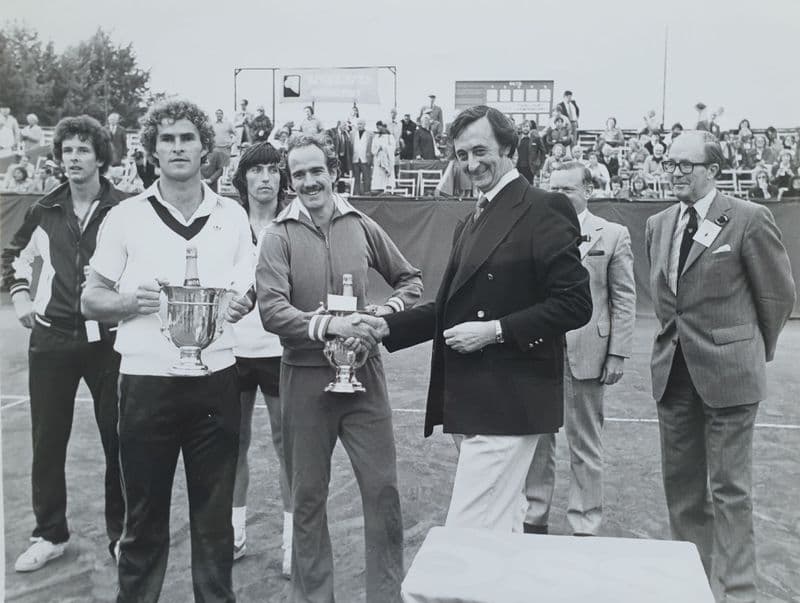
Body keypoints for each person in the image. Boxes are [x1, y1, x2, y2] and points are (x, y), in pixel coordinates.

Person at [372, 105, 591, 532]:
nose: (471, 164)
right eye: (461, 155)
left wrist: (495, 332)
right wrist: (387, 326)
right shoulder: (471, 219)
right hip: (472, 401)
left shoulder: (544, 208)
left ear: (508, 147)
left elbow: (575, 304)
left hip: (509, 403)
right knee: (502, 532)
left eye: (480, 151)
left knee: (468, 536)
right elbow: (450, 309)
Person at [81, 98, 255, 602]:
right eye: (167, 139)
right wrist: (126, 302)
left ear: (205, 148)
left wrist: (241, 305)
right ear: (153, 150)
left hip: (216, 382)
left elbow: (248, 287)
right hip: (145, 385)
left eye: (187, 138)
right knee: (143, 522)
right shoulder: (125, 216)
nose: (178, 148)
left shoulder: (233, 215)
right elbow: (91, 299)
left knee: (214, 525)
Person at [256, 134, 422, 603]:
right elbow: (272, 311)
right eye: (300, 174)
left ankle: (385, 597)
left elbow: (411, 280)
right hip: (305, 377)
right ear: (291, 180)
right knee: (308, 499)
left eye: (317, 171)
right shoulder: (278, 235)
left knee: (383, 492)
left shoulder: (362, 225)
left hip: (364, 376)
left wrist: (382, 315)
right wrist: (331, 324)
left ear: (333, 172)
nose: (310, 181)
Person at [645, 130, 795, 603]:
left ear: (713, 169)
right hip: (674, 374)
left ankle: (736, 594)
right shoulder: (658, 224)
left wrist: (748, 351)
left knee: (731, 491)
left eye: (685, 165)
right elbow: (668, 299)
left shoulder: (750, 218)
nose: (674, 171)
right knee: (683, 491)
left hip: (730, 376)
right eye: (670, 163)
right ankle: (691, 587)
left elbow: (777, 296)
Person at [1, 115, 126, 572]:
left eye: (82, 150)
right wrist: (20, 297)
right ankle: (49, 533)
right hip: (51, 339)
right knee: (47, 440)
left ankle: (122, 534)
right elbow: (13, 255)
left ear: (100, 157)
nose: (73, 158)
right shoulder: (43, 209)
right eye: (67, 150)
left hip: (108, 342)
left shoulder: (124, 209)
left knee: (119, 439)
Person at [524, 161, 636, 536]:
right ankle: (533, 517)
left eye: (567, 189)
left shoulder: (614, 234)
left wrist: (617, 352)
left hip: (588, 353)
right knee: (537, 440)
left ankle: (585, 524)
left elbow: (623, 298)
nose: (558, 196)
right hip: (539, 353)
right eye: (552, 188)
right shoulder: (532, 231)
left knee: (585, 444)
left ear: (587, 190)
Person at [229, 142, 293, 574]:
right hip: (229, 351)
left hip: (279, 350)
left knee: (287, 446)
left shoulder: (294, 222)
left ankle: (292, 542)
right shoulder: (222, 220)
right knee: (231, 447)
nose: (266, 178)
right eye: (257, 171)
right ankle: (233, 536)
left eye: (273, 170)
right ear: (244, 178)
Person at [371, 120, 396, 192]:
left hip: (387, 160)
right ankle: (377, 189)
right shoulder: (376, 137)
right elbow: (373, 150)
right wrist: (378, 149)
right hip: (378, 160)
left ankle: (388, 189)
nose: (379, 129)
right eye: (377, 128)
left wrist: (384, 148)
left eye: (380, 127)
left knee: (387, 177)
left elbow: (393, 148)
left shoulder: (390, 137)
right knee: (378, 176)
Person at [350, 118, 374, 195]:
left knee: (366, 178)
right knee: (356, 178)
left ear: (364, 125)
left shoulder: (370, 134)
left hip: (365, 159)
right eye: (358, 124)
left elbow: (372, 147)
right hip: (355, 159)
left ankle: (366, 193)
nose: (359, 126)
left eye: (361, 124)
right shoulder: (352, 134)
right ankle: (356, 193)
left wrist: (371, 158)